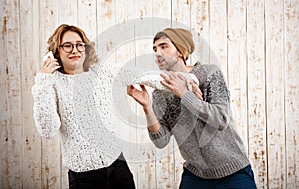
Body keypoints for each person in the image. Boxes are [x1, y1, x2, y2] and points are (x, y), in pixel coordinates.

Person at [127, 28, 257, 188]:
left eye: (163, 46)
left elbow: (220, 119)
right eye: (155, 49)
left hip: (233, 173)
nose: (157, 53)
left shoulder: (209, 74)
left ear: (180, 51)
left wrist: (184, 94)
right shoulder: (160, 93)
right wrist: (147, 108)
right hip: (195, 176)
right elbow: (161, 141)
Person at [32, 24, 135, 189]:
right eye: (67, 45)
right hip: (84, 177)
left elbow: (140, 75)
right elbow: (48, 131)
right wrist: (43, 81)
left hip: (118, 167)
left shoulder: (100, 71)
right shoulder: (50, 84)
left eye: (79, 45)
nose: (75, 50)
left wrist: (184, 80)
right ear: (55, 51)